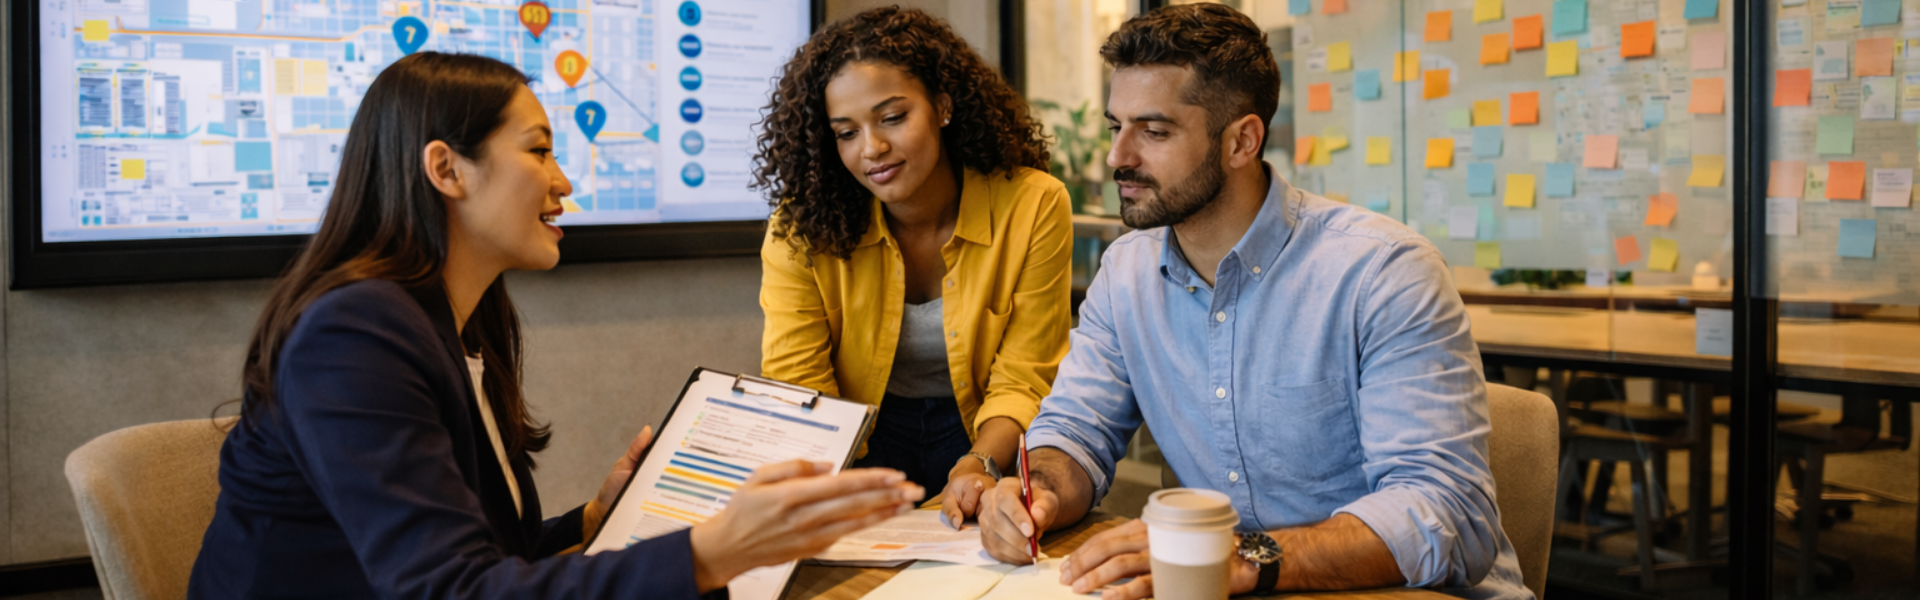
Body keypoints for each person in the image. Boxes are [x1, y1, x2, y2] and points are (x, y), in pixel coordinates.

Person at [188, 52, 922, 599]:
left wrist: (592, 518)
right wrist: (708, 552)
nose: (563, 181)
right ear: (447, 169)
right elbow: (446, 590)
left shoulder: (454, 323)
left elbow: (472, 555)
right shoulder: (352, 335)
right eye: (538, 150)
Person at [973, 5, 1533, 600]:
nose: (1118, 157)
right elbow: (1077, 430)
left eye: (1154, 131)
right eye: (1117, 127)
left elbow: (1446, 511)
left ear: (1242, 140)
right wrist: (1039, 495)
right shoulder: (1125, 273)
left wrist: (1244, 557)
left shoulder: (1383, 272)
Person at [752, 6, 1072, 524]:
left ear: (943, 105)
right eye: (846, 132)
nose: (872, 149)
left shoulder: (1033, 204)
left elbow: (1025, 376)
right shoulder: (800, 229)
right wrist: (834, 489)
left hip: (985, 429)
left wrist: (981, 464)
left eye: (893, 118)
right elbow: (801, 384)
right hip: (858, 433)